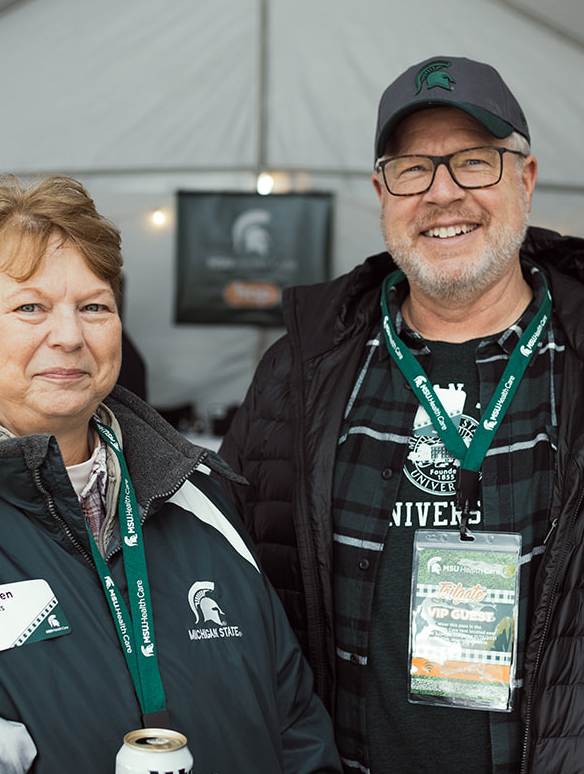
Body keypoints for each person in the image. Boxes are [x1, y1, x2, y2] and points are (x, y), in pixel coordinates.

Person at [0, 173, 342, 773]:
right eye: (29, 307)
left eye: (93, 306)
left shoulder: (200, 497)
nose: (68, 336)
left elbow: (296, 727)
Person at [219, 55, 584, 774]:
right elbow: (234, 578)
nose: (441, 193)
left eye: (473, 162)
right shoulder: (301, 370)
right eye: (412, 169)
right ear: (382, 191)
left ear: (526, 178)